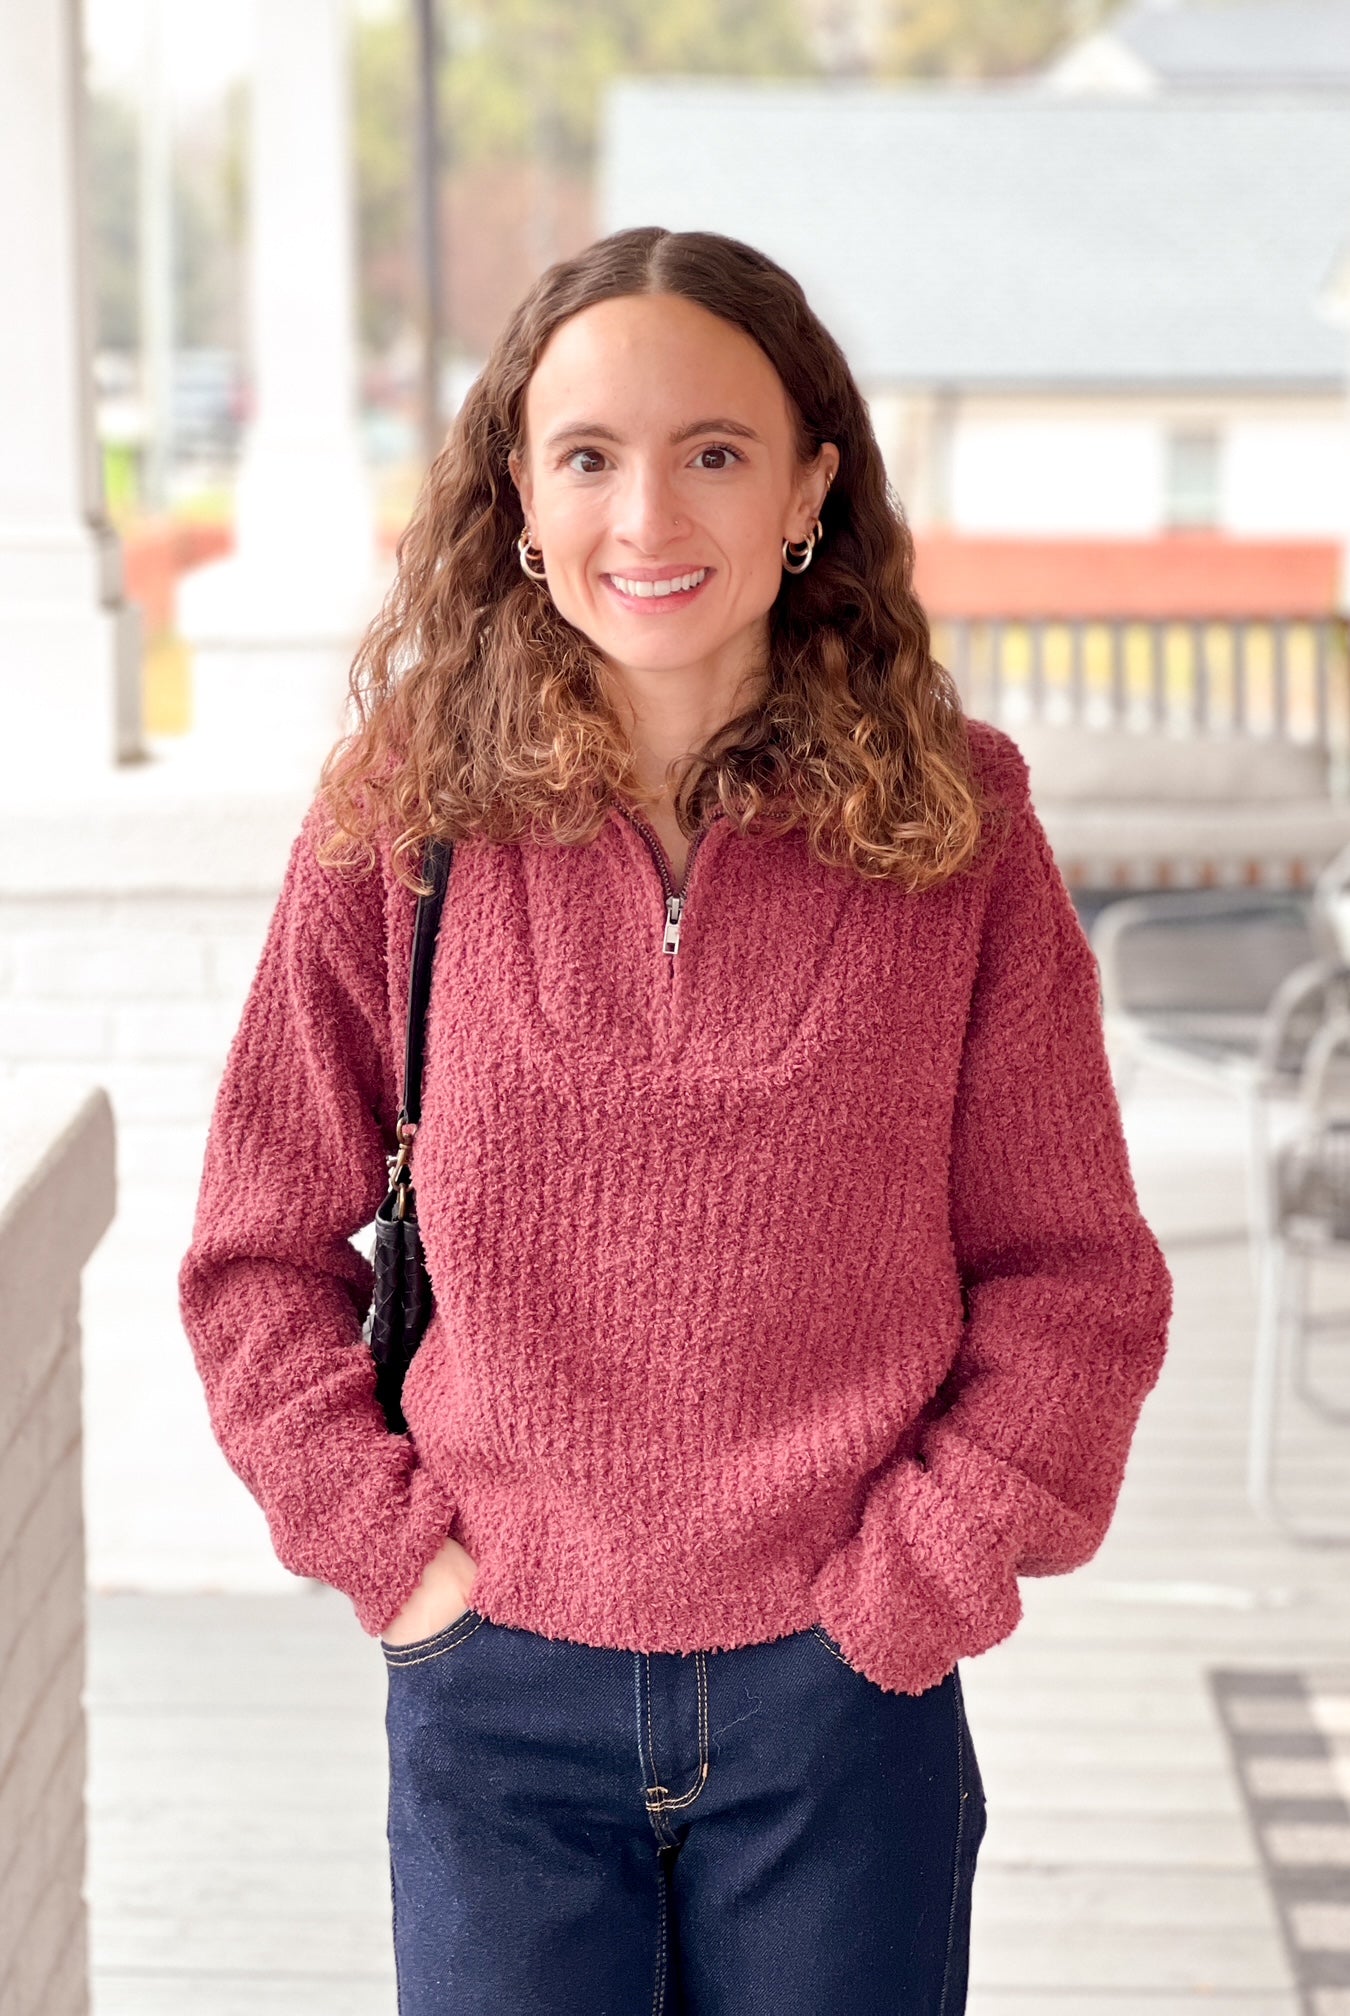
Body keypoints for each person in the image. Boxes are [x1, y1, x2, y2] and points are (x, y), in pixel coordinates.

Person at [178, 225, 1173, 2015]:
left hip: (839, 1705)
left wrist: (907, 1590)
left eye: (713, 451)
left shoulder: (963, 833)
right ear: (519, 495)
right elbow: (256, 1250)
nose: (649, 517)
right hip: (497, 1693)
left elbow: (1074, 1278)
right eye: (589, 457)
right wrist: (396, 1559)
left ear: (809, 484)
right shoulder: (402, 825)